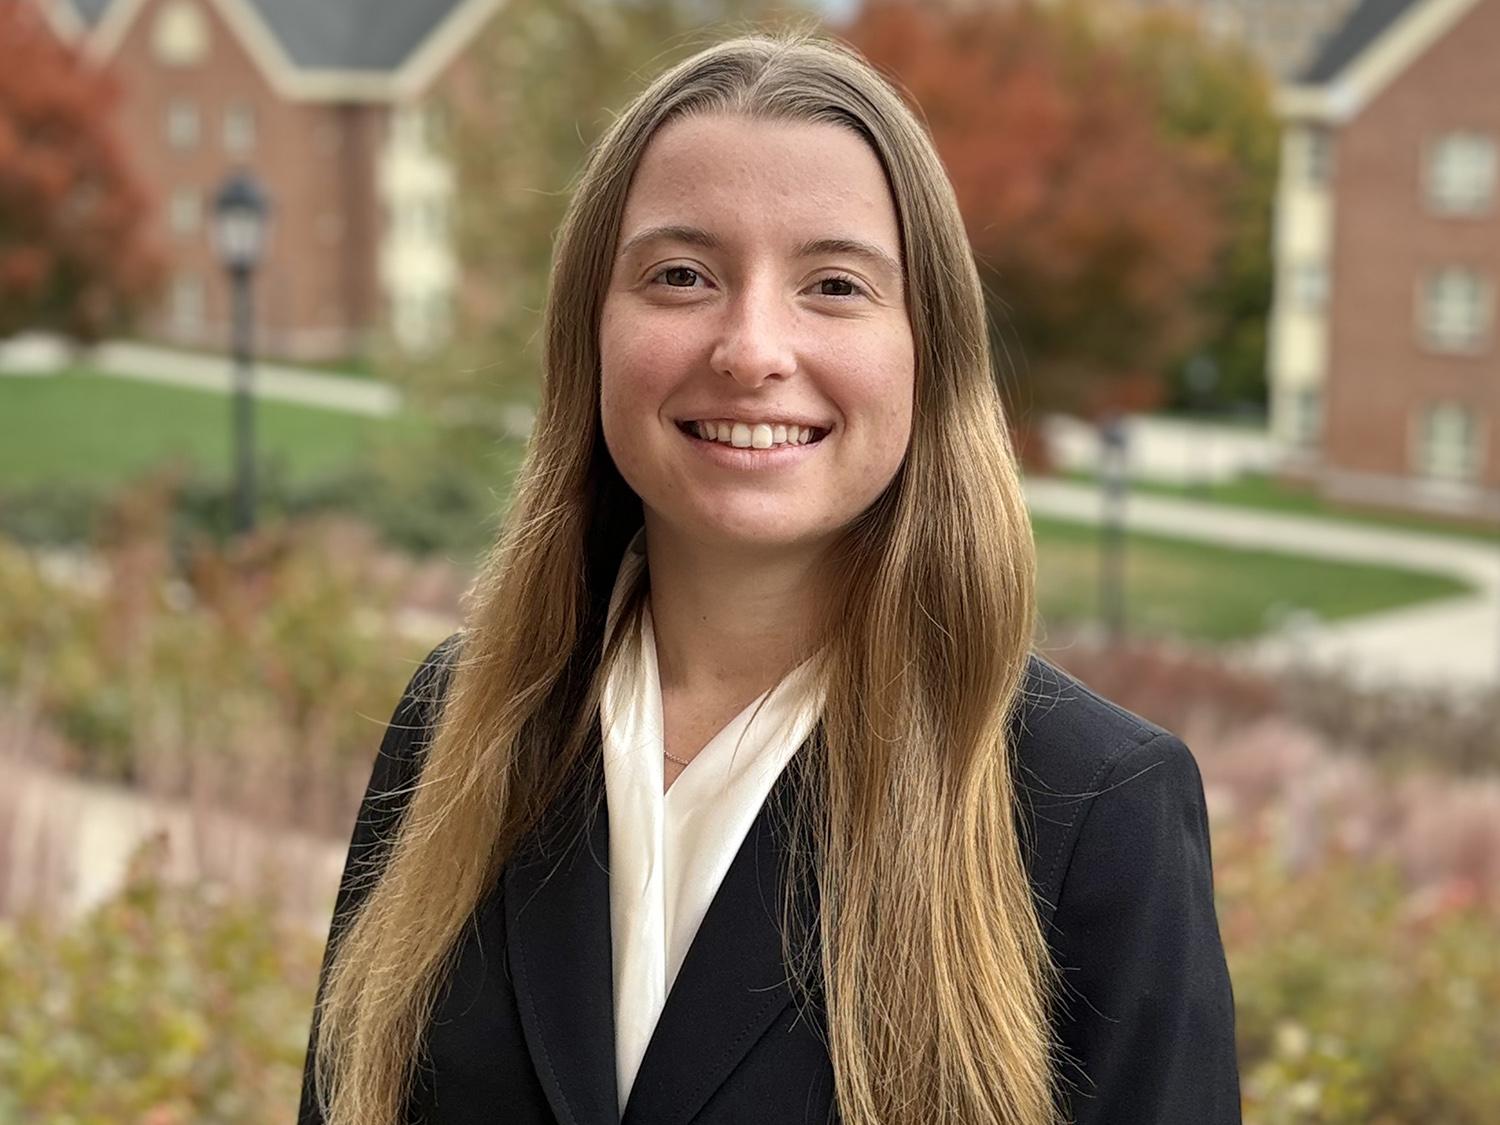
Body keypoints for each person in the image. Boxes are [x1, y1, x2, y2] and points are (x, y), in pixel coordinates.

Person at [298, 29, 1240, 1125]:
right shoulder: (458, 723)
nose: (751, 350)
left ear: (926, 351)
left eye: (834, 285)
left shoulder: (1092, 809)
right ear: (589, 332)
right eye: (682, 275)